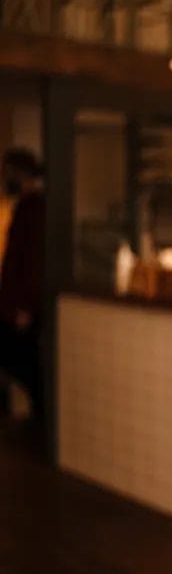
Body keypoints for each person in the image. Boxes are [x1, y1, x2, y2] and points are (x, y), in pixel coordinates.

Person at [0, 148, 45, 422]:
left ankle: (39, 419)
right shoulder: (26, 206)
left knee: (24, 362)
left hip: (20, 306)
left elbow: (33, 261)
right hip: (14, 303)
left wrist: (25, 306)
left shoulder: (34, 209)